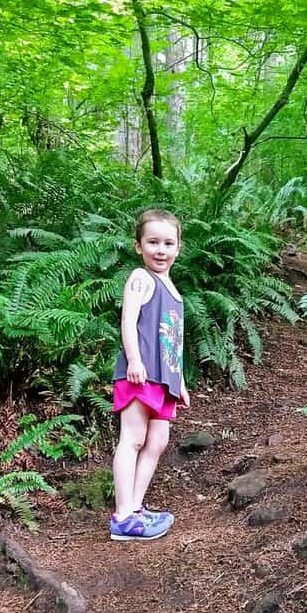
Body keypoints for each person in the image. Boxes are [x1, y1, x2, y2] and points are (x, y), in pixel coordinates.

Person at [110, 210, 190, 541]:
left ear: (178, 248)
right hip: (140, 374)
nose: (161, 250)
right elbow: (128, 321)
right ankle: (123, 515)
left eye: (168, 243)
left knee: (157, 442)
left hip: (165, 379)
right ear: (138, 246)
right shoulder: (141, 278)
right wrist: (134, 360)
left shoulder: (173, 289)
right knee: (133, 438)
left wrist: (180, 381)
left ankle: (136, 508)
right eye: (153, 242)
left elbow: (174, 340)